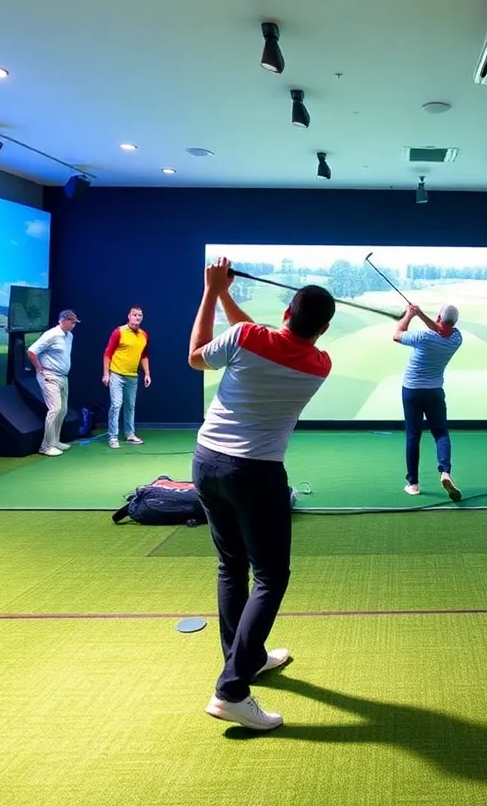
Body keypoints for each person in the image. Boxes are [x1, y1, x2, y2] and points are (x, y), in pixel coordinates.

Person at [189, 257, 334, 732]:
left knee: (232, 565)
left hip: (207, 462)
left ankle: (243, 660)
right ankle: (232, 689)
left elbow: (197, 355)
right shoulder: (319, 364)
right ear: (324, 329)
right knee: (270, 576)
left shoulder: (251, 340)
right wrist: (224, 294)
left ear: (287, 313)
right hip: (257, 474)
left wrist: (213, 289)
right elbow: (259, 338)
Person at [394, 302, 463, 501]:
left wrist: (409, 315)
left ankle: (413, 485)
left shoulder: (423, 337)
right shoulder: (457, 338)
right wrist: (421, 313)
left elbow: (397, 334)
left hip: (412, 391)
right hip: (434, 392)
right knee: (441, 434)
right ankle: (445, 472)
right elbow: (441, 328)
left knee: (413, 436)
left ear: (439, 318)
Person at [28, 310, 79, 457]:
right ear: (62, 320)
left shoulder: (69, 336)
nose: (74, 324)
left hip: (63, 376)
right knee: (55, 409)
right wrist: (39, 369)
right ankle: (46, 446)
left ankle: (55, 441)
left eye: (75, 322)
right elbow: (32, 351)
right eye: (71, 321)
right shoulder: (51, 334)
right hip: (49, 375)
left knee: (63, 409)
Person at [102, 305, 151, 449]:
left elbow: (144, 355)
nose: (137, 317)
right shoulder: (119, 332)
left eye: (140, 315)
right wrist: (106, 373)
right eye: (135, 315)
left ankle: (130, 434)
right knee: (116, 405)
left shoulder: (144, 335)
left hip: (132, 376)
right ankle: (113, 436)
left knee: (130, 406)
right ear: (129, 316)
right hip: (116, 374)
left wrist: (147, 373)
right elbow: (107, 353)